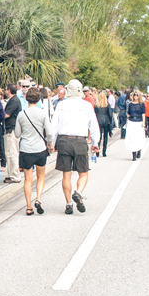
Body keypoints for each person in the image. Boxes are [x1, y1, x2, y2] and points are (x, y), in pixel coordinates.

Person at [51, 79, 100, 215]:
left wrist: (50, 142)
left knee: (66, 175)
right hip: (80, 141)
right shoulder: (87, 106)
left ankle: (68, 204)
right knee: (83, 173)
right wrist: (95, 143)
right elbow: (94, 126)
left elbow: (54, 125)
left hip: (64, 141)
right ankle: (78, 192)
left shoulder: (61, 105)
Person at [15, 87, 54, 215]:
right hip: (40, 148)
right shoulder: (42, 113)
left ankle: (29, 206)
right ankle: (38, 199)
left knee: (28, 178)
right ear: (38, 99)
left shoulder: (22, 114)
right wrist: (50, 143)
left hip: (26, 148)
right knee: (41, 176)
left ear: (26, 98)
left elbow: (17, 133)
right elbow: (49, 132)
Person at [3, 83, 22, 184]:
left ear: (9, 91)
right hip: (10, 129)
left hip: (12, 129)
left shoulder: (14, 101)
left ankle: (15, 175)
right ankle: (11, 174)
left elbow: (6, 114)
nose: (5, 91)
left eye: (6, 89)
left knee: (12, 153)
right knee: (9, 153)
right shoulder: (13, 100)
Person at [126, 91, 146, 161]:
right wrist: (126, 122)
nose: (135, 96)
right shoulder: (130, 104)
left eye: (137, 95)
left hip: (139, 121)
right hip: (131, 121)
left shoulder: (141, 104)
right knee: (132, 138)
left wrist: (143, 122)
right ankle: (133, 154)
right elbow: (128, 114)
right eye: (134, 95)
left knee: (139, 137)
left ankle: (139, 150)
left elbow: (143, 113)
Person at [94, 92, 113, 157]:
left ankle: (97, 151)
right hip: (106, 121)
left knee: (99, 137)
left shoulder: (96, 105)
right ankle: (104, 151)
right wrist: (110, 122)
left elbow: (95, 114)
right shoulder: (107, 105)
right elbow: (110, 114)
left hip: (98, 121)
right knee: (105, 137)